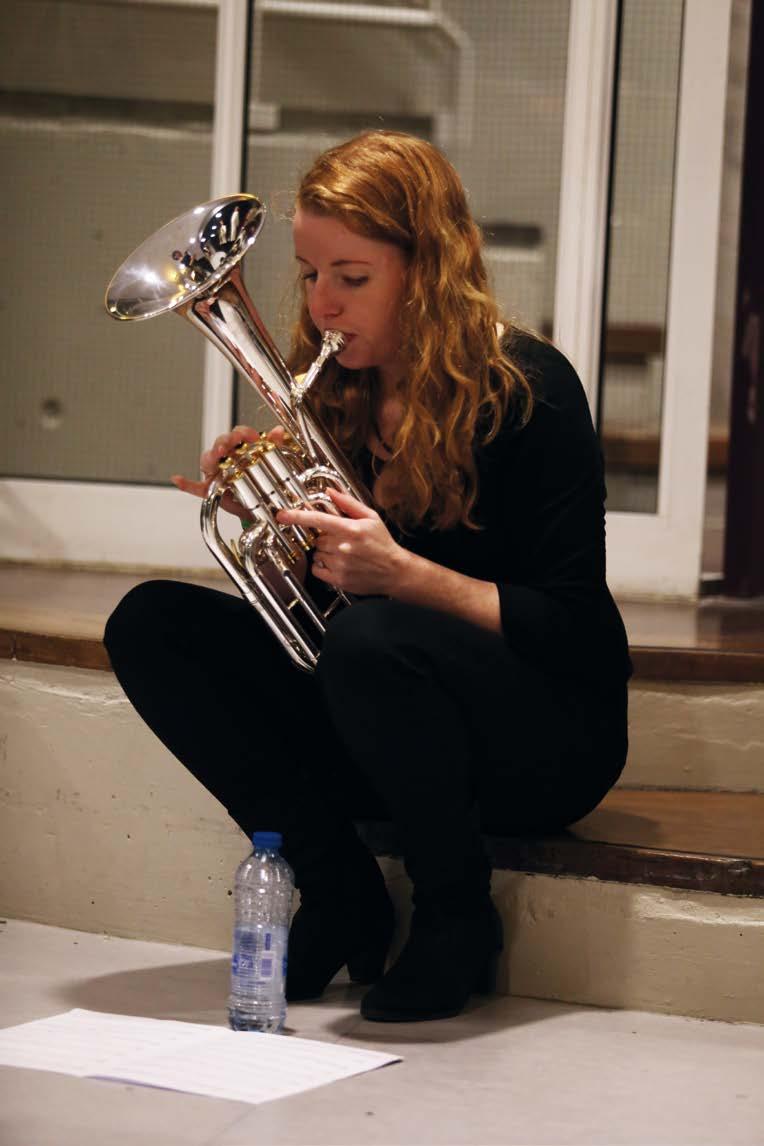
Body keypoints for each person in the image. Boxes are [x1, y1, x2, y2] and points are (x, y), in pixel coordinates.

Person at [104, 130, 632, 1023]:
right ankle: (339, 890)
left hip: (543, 741)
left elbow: (580, 632)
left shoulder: (529, 391)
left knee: (372, 636)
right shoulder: (333, 394)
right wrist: (274, 525)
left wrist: (406, 574)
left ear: (426, 268)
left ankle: (457, 919)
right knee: (151, 623)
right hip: (391, 720)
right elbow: (324, 618)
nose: (321, 303)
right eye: (311, 274)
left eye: (352, 277)